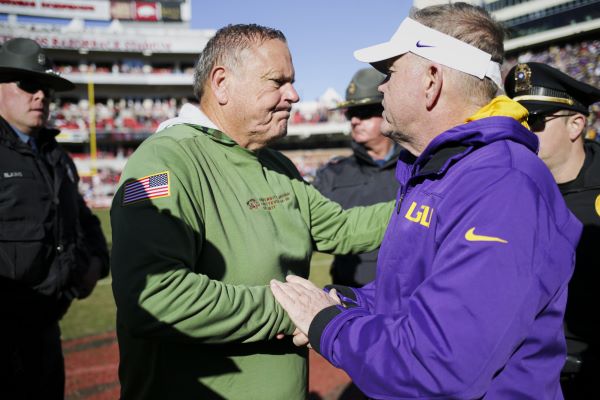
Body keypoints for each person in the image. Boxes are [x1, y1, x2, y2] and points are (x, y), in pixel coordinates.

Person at [270, 3, 582, 399]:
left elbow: (438, 362)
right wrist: (343, 300)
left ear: (432, 80)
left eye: (391, 72)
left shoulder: (503, 183)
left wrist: (327, 324)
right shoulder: (443, 169)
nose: (381, 86)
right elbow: (409, 297)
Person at [110, 24, 393, 400]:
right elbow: (154, 296)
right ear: (222, 83)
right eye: (278, 81)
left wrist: (436, 199)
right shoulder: (164, 160)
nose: (293, 95)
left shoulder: (275, 163)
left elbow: (342, 228)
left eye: (291, 82)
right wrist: (293, 310)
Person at [0, 38, 109, 400]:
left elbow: (82, 218)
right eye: (29, 85)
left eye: (46, 88)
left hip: (47, 331)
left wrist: (96, 262)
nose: (41, 96)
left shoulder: (55, 155)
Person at [505, 62, 600, 399]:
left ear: (576, 124)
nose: (523, 130)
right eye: (518, 120)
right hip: (526, 377)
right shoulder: (506, 189)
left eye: (536, 120)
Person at [313, 68, 401, 287]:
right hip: (351, 299)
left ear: (386, 110)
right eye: (350, 114)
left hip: (407, 299)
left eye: (363, 113)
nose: (354, 121)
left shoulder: (418, 167)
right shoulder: (331, 174)